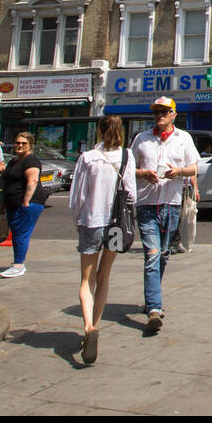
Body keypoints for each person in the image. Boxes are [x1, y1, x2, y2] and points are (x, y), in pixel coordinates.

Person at [69, 116, 136, 364]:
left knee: (86, 280)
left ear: (98, 131)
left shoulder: (88, 158)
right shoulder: (127, 157)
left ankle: (89, 328)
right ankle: (96, 324)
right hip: (117, 224)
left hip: (92, 221)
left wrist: (78, 220)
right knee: (104, 276)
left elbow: (77, 196)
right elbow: (131, 194)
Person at [131, 97, 201, 333]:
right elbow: (130, 167)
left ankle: (152, 296)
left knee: (163, 254)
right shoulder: (141, 139)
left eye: (164, 111)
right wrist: (142, 173)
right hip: (146, 204)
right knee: (151, 254)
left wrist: (178, 171)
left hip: (172, 203)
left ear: (174, 114)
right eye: (156, 112)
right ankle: (154, 308)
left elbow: (194, 168)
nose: (159, 115)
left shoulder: (184, 138)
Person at [0, 132, 42, 278]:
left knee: (21, 234)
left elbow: (33, 181)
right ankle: (17, 262)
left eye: (24, 143)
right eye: (18, 143)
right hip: (13, 204)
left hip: (28, 204)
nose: (20, 146)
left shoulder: (31, 160)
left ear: (30, 145)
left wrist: (26, 202)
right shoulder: (14, 161)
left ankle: (18, 265)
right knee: (17, 233)